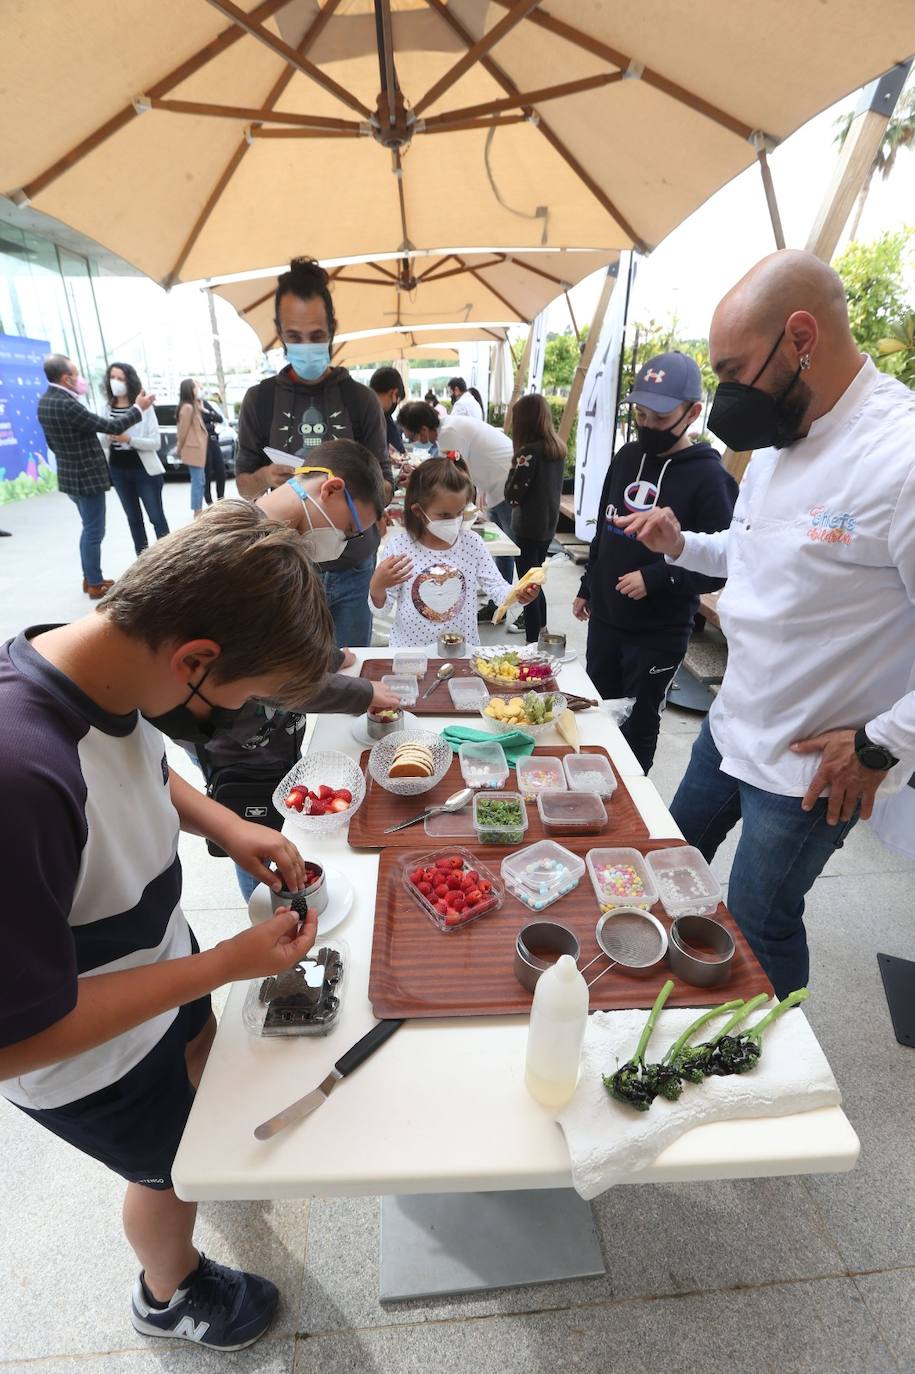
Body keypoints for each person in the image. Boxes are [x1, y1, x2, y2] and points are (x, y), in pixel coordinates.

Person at [0, 501, 336, 1351]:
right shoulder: (22, 780)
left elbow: (139, 764)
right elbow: (18, 1038)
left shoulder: (94, 668)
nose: (238, 714)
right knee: (165, 1167)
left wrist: (227, 822)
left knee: (196, 1087)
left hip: (155, 967)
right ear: (195, 659)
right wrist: (224, 964)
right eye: (244, 696)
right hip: (90, 1058)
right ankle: (169, 1289)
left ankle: (195, 1156)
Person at [619, 250, 915, 999]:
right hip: (732, 723)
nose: (721, 397)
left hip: (812, 765)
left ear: (800, 337)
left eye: (730, 369)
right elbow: (758, 555)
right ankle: (661, 992)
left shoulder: (900, 455)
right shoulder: (785, 435)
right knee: (671, 859)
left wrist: (880, 745)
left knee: (759, 916)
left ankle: (763, 1066)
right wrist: (681, 543)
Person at [156, 438, 400, 902]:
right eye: (349, 528)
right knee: (257, 826)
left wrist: (325, 658)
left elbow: (273, 645)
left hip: (261, 728)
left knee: (278, 809)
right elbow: (271, 680)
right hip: (234, 737)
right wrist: (359, 693)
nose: (342, 542)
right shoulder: (248, 554)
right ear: (330, 489)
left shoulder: (270, 538)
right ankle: (272, 905)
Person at [573, 352, 738, 771]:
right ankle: (594, 785)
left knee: (639, 723)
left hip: (657, 632)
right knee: (597, 711)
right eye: (641, 414)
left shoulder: (711, 478)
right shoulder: (627, 457)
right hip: (607, 620)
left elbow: (723, 564)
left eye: (659, 418)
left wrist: (658, 576)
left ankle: (631, 797)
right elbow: (604, 528)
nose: (647, 426)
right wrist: (588, 584)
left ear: (694, 413)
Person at [234, 257, 393, 648]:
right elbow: (243, 485)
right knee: (292, 679)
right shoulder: (260, 400)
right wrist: (265, 479)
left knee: (351, 668)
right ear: (280, 334)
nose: (307, 346)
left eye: (317, 334)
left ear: (333, 332)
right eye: (295, 336)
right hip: (286, 570)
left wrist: (354, 500)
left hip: (354, 566)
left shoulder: (361, 400)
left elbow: (385, 483)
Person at [369, 456, 538, 648]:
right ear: (418, 511)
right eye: (444, 515)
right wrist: (377, 587)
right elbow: (382, 610)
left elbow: (498, 589)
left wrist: (519, 594)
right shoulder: (399, 547)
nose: (454, 521)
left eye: (459, 512)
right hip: (410, 653)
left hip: (461, 653)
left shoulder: (472, 544)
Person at [37, 353, 155, 597]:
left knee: (88, 528)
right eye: (77, 375)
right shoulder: (67, 404)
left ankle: (89, 577)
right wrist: (138, 408)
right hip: (85, 477)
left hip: (70, 476)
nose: (80, 379)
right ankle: (93, 582)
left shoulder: (45, 402)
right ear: (66, 379)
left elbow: (52, 444)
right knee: (94, 531)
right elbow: (111, 427)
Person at [397, 400, 516, 586]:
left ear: (424, 429)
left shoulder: (449, 433)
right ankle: (499, 603)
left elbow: (447, 480)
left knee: (511, 550)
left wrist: (416, 479)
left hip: (506, 483)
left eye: (412, 436)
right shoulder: (448, 428)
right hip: (497, 484)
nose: (414, 440)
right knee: (504, 553)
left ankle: (519, 605)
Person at [505, 393, 567, 642]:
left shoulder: (528, 453)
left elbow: (512, 495)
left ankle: (532, 643)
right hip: (547, 526)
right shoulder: (557, 449)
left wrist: (513, 468)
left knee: (527, 587)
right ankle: (541, 630)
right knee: (536, 580)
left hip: (527, 528)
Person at [100, 362, 169, 554]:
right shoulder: (107, 408)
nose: (116, 382)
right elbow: (103, 443)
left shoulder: (144, 407)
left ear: (129, 381)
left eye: (120, 378)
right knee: (133, 519)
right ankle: (143, 561)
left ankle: (169, 558)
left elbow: (155, 443)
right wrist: (108, 434)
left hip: (144, 470)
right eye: (112, 378)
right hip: (118, 470)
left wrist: (128, 439)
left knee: (156, 517)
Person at [175, 379, 208, 516]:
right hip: (193, 449)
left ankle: (198, 509)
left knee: (199, 480)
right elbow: (182, 431)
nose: (197, 390)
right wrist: (178, 449)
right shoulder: (187, 408)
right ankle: (197, 511)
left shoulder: (192, 405)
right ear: (189, 390)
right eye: (195, 388)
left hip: (197, 449)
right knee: (198, 481)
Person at [370, 366, 406, 458]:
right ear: (394, 393)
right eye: (397, 402)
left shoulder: (355, 410)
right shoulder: (382, 417)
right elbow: (400, 452)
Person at [201, 395, 227, 505]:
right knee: (206, 473)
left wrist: (204, 410)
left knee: (221, 470)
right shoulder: (189, 406)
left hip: (213, 440)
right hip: (201, 442)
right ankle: (209, 501)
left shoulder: (204, 403)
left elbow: (219, 418)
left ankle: (221, 499)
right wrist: (210, 426)